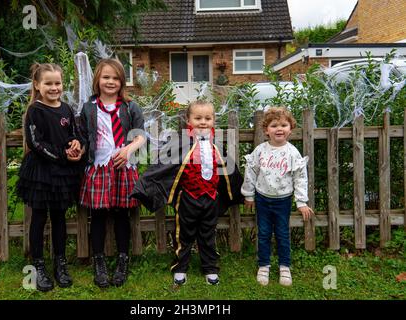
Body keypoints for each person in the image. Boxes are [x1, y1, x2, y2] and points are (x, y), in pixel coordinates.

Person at [131, 100, 244, 286]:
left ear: (213, 120)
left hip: (211, 199)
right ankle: (180, 267)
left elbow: (230, 171)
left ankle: (210, 268)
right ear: (188, 120)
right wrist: (144, 188)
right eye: (198, 118)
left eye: (208, 118)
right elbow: (162, 167)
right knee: (183, 235)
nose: (203, 122)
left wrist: (243, 192)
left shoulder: (216, 145)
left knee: (208, 235)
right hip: (188, 199)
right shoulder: (181, 143)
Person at [78, 58, 146, 288]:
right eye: (106, 77)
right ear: (98, 79)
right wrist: (77, 148)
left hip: (123, 167)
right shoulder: (89, 108)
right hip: (98, 167)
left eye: (115, 78)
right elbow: (84, 138)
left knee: (120, 215)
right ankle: (99, 263)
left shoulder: (130, 107)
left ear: (122, 81)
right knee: (97, 215)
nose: (110, 81)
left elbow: (141, 136)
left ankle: (122, 260)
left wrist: (128, 150)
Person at [17, 63, 84, 292]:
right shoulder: (35, 110)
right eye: (48, 83)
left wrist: (76, 143)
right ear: (37, 85)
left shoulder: (65, 108)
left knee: (59, 218)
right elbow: (36, 143)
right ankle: (38, 266)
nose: (54, 88)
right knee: (38, 218)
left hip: (62, 173)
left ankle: (60, 263)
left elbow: (73, 133)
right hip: (42, 171)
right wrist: (62, 155)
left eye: (57, 83)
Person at [241, 106, 314, 287]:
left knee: (282, 233)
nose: (279, 129)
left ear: (290, 128)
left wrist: (301, 201)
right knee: (264, 233)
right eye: (274, 125)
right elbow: (251, 172)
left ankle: (284, 267)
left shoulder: (292, 152)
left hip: (283, 200)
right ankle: (264, 266)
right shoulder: (260, 151)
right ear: (266, 130)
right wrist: (248, 194)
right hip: (262, 199)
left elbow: (300, 178)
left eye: (283, 125)